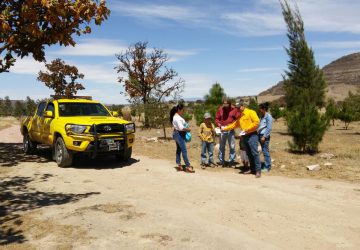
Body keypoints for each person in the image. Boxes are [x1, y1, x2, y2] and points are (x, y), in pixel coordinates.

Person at [222, 100, 261, 178]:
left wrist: (247, 129)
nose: (238, 109)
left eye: (239, 107)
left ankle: (258, 171)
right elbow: (234, 124)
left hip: (252, 135)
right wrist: (225, 129)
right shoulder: (240, 116)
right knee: (249, 153)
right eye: (237, 108)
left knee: (254, 153)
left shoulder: (251, 112)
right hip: (245, 136)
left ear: (243, 106)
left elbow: (257, 122)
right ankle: (252, 169)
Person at [170, 104, 195, 173]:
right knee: (184, 150)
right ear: (179, 110)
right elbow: (181, 128)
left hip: (176, 134)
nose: (183, 111)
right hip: (179, 134)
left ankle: (179, 165)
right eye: (182, 110)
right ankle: (188, 166)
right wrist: (188, 129)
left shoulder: (175, 117)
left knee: (179, 149)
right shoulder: (177, 118)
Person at [215, 98, 238, 167]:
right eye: (223, 103)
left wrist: (233, 124)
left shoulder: (234, 110)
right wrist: (218, 124)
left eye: (226, 103)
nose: (224, 104)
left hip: (230, 129)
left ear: (229, 103)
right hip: (222, 129)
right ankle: (222, 161)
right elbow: (217, 119)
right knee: (222, 146)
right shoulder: (220, 109)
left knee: (232, 146)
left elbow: (237, 118)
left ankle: (231, 162)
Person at [258, 102, 273, 172]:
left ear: (264, 109)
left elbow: (269, 128)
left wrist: (264, 136)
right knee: (264, 151)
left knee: (265, 151)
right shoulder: (262, 116)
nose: (259, 110)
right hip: (260, 135)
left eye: (260, 108)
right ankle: (266, 165)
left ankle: (268, 167)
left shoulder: (268, 116)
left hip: (264, 136)